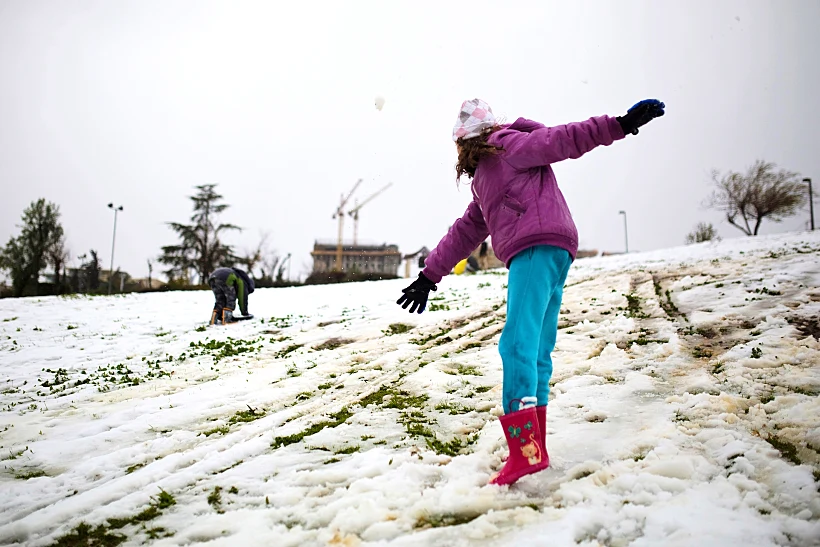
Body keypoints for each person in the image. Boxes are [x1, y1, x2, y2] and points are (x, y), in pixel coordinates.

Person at [396, 98, 665, 486]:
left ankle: (524, 452)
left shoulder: (507, 147)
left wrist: (619, 125)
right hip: (555, 249)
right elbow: (465, 231)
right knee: (536, 350)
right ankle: (534, 449)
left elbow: (562, 139)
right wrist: (429, 276)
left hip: (535, 247)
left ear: (467, 141)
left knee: (516, 345)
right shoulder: (486, 178)